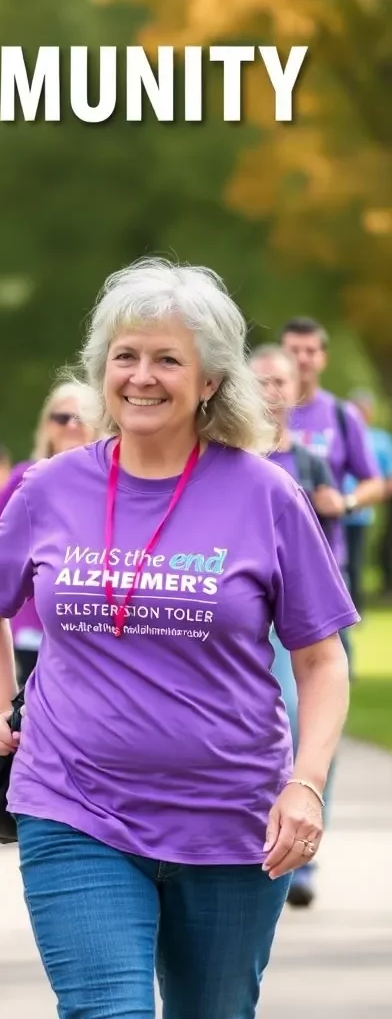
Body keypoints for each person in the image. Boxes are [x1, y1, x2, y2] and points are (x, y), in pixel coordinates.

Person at [0, 259, 355, 1018]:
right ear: (103, 370)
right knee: (107, 1010)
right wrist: (3, 706)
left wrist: (305, 782)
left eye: (168, 358)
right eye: (126, 356)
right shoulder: (51, 488)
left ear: (209, 380)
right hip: (74, 805)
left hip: (234, 821)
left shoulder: (265, 494)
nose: (142, 376)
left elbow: (320, 656)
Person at [252, 345, 345, 909]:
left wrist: (334, 501)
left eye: (279, 382)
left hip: (300, 611)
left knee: (297, 713)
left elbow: (337, 510)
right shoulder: (226, 455)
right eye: (259, 380)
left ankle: (303, 840)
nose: (270, 391)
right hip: (239, 611)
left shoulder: (305, 462)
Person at [0, 381, 98, 685]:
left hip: (90, 625)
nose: (71, 426)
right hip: (32, 625)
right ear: (47, 426)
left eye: (81, 418)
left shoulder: (113, 480)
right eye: (61, 418)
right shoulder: (28, 476)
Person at [280, 317, 383, 672]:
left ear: (322, 358)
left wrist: (346, 502)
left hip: (326, 556)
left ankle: (331, 725)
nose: (302, 359)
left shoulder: (341, 416)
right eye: (294, 350)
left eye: (310, 351)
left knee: (332, 653)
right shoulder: (261, 416)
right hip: (271, 555)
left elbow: (375, 481)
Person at [342, 388, 392, 610]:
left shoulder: (379, 440)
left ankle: (356, 607)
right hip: (333, 513)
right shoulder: (340, 435)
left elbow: (386, 476)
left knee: (355, 562)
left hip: (359, 513)